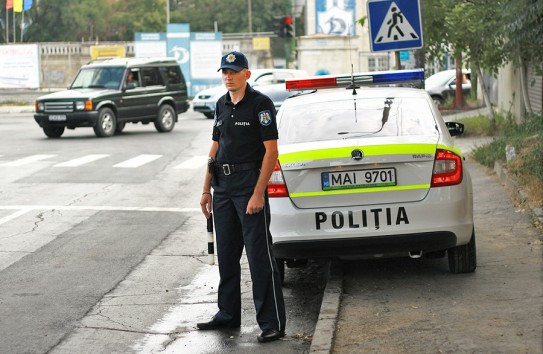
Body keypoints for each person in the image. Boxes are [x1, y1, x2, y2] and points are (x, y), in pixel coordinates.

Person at [198, 51, 286, 343]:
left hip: (249, 186)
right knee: (227, 255)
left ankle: (271, 322)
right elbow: (214, 147)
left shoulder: (260, 104)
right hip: (222, 188)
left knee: (259, 257)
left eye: (234, 71)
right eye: (224, 70)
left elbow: (271, 152)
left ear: (247, 74)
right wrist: (205, 189)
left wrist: (258, 193)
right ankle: (228, 314)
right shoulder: (221, 104)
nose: (228, 75)